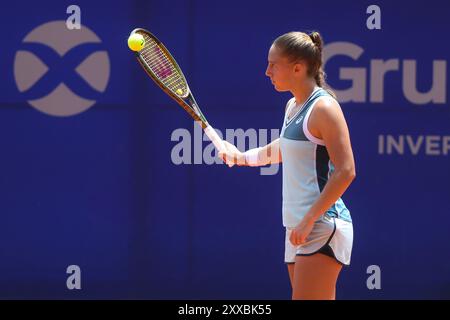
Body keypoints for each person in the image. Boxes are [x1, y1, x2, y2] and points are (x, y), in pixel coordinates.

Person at [219, 31, 356, 300]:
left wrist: (309, 219)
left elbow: (346, 170)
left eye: (273, 64)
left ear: (297, 68)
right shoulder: (293, 106)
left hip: (321, 224)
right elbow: (284, 148)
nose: (267, 72)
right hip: (298, 226)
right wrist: (241, 157)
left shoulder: (324, 108)